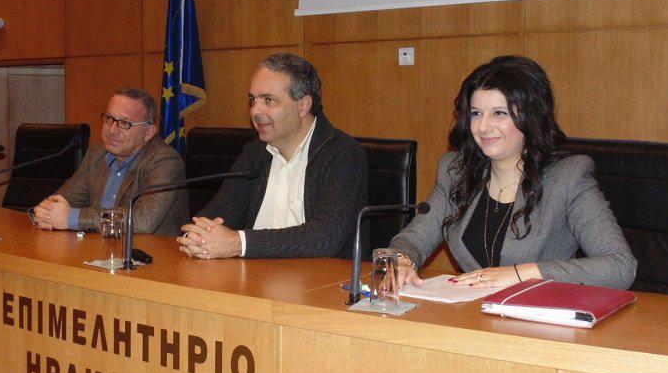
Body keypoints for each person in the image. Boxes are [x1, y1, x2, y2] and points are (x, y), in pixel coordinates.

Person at [388, 55, 635, 290]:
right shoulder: (457, 172)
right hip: (472, 312)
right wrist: (402, 260)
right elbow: (414, 238)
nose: (483, 126)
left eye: (499, 113)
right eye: (476, 113)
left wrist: (520, 274)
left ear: (530, 117)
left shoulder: (567, 178)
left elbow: (620, 266)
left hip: (539, 313)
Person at [177, 53, 367, 259]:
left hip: (322, 276)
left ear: (303, 106)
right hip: (254, 274)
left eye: (269, 100)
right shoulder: (255, 153)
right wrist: (196, 236)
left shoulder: (342, 153)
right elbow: (220, 213)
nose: (255, 111)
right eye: (253, 100)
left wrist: (239, 243)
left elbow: (325, 237)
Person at [32, 88, 188, 236]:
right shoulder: (98, 154)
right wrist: (47, 213)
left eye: (124, 123)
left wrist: (73, 218)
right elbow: (63, 199)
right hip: (97, 248)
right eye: (109, 119)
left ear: (148, 132)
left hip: (151, 252)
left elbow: (143, 220)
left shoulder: (165, 161)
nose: (112, 130)